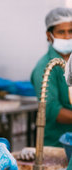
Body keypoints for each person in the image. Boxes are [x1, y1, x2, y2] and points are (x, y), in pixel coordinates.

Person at [31, 7, 72, 147]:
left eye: (71, 31)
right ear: (49, 36)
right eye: (61, 32)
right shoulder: (45, 67)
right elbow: (51, 110)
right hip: (57, 146)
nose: (67, 37)